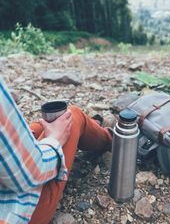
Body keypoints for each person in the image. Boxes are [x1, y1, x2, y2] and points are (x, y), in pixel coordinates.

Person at [0, 75, 112, 224]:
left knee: (38, 127)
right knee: (72, 116)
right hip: (13, 214)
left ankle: (92, 126)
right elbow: (30, 174)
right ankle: (111, 139)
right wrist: (54, 140)